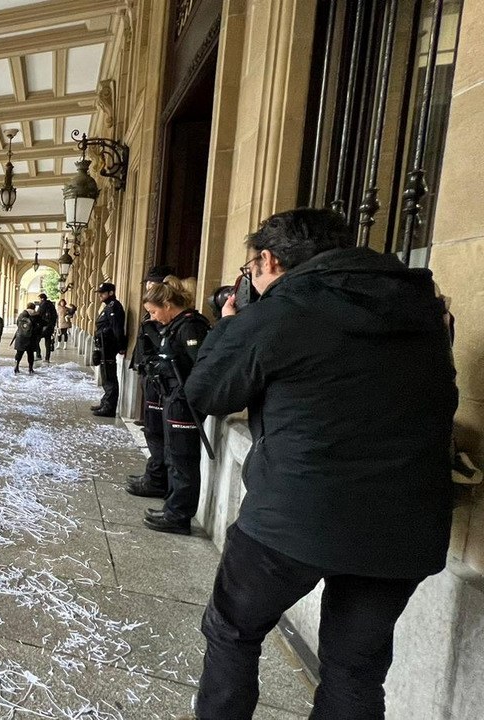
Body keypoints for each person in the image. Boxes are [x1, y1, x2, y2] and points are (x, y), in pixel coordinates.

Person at [184, 209, 457, 720]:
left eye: (250, 269)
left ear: (268, 259)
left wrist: (230, 325)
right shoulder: (422, 309)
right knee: (354, 671)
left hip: (295, 514)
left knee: (233, 630)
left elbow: (206, 392)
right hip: (404, 525)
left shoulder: (284, 310)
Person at [139, 276, 209, 535]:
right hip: (172, 397)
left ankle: (179, 515)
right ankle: (172, 506)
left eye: (155, 311)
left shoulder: (190, 327)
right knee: (172, 454)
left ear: (168, 304)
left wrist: (185, 395)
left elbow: (201, 367)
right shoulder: (176, 326)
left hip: (183, 402)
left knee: (183, 459)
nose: (154, 317)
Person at [125, 265, 174, 499]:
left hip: (162, 381)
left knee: (156, 432)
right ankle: (153, 475)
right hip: (152, 375)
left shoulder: (174, 322)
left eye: (152, 284)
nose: (148, 287)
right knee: (152, 430)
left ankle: (156, 480)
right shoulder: (154, 313)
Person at [91, 282, 126, 417]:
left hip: (109, 346)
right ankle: (105, 402)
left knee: (110, 377)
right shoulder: (108, 307)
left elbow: (117, 328)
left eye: (102, 293)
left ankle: (109, 407)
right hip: (104, 345)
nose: (100, 295)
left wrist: (121, 346)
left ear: (111, 293)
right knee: (106, 376)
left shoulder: (114, 307)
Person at [11, 303, 38, 374]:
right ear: (34, 308)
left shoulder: (22, 314)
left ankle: (16, 367)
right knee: (30, 353)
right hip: (31, 337)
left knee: (19, 353)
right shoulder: (36, 315)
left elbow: (18, 324)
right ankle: (30, 368)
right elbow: (42, 324)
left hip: (21, 336)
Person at [37, 293, 58, 362]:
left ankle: (38, 355)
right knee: (48, 343)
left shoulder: (43, 304)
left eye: (39, 298)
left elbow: (39, 314)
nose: (39, 300)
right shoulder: (51, 305)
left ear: (42, 298)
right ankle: (47, 358)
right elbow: (55, 316)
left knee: (36, 340)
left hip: (43, 326)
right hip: (50, 327)